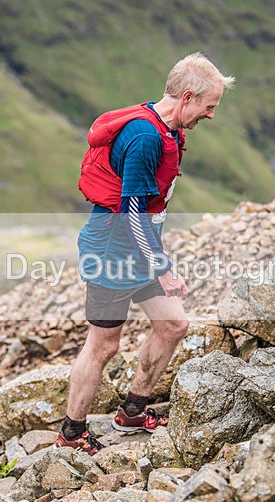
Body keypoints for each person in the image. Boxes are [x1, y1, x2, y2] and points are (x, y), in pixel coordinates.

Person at [55, 52, 235, 455]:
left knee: (173, 325)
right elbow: (131, 211)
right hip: (111, 251)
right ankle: (72, 433)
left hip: (137, 251)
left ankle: (133, 411)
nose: (211, 115)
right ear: (187, 97)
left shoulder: (169, 130)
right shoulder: (145, 137)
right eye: (209, 106)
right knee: (103, 345)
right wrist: (163, 268)